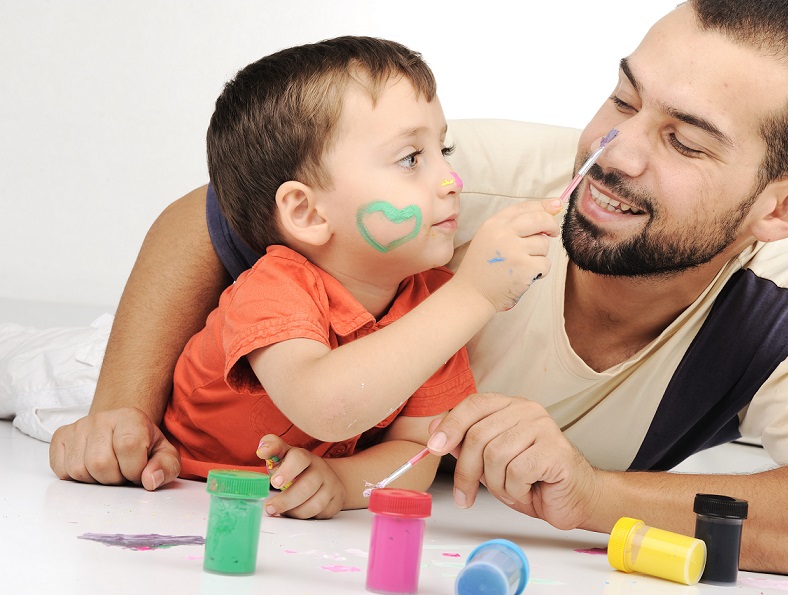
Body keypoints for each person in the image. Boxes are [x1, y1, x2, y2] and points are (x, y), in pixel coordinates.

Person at [49, 0, 788, 582]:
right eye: (624, 97)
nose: (614, 150)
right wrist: (121, 405)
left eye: (685, 141)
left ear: (782, 207)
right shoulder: (465, 185)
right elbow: (196, 217)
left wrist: (593, 495)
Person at [157, 37, 562, 519]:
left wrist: (341, 481)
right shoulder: (275, 287)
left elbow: (419, 451)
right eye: (412, 158)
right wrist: (473, 293)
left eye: (444, 148)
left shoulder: (429, 304)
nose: (452, 179)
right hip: (182, 482)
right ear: (306, 212)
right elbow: (324, 404)